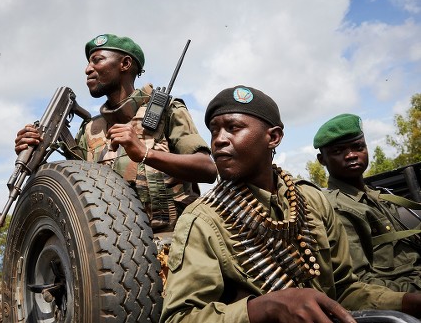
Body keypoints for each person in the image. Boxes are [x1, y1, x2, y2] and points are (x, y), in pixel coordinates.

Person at [160, 85, 421, 323]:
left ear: (273, 137)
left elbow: (344, 289)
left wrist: (405, 302)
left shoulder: (312, 199)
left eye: (233, 128)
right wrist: (262, 309)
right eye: (214, 131)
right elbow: (179, 318)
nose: (218, 140)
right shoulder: (202, 220)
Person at [14, 33, 217, 233]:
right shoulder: (89, 130)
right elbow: (73, 191)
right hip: (115, 252)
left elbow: (206, 169)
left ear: (125, 64)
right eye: (88, 63)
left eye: (97, 60)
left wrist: (146, 154)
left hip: (172, 242)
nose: (87, 69)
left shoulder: (166, 110)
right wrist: (34, 156)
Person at [314, 113, 421, 293]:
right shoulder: (336, 208)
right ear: (322, 160)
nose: (351, 155)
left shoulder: (378, 196)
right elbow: (361, 283)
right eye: (338, 151)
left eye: (358, 147)